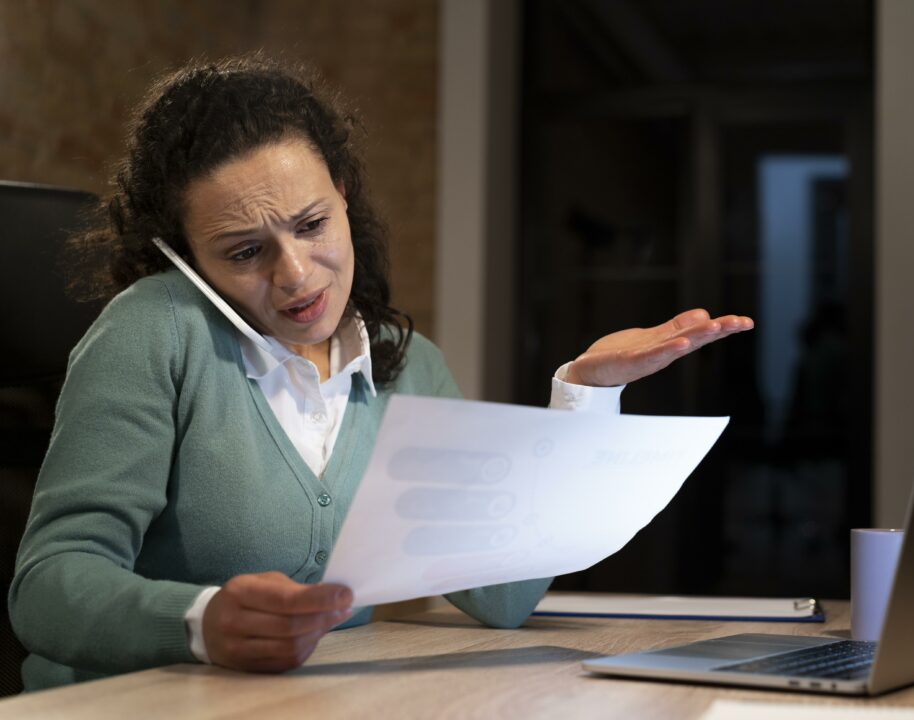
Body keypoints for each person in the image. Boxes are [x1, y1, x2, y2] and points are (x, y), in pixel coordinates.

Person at [8, 55, 753, 691]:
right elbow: (45, 588)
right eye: (243, 252)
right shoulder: (154, 329)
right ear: (184, 260)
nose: (297, 275)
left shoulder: (405, 361)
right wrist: (199, 621)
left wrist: (586, 397)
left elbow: (503, 595)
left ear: (344, 196)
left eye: (311, 224)